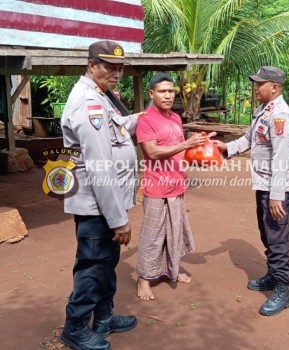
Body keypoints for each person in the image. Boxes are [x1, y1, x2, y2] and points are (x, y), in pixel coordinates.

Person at [60, 40, 140, 350]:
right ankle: (76, 327)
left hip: (107, 204)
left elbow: (118, 130)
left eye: (121, 68)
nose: (117, 73)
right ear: (91, 65)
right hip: (97, 206)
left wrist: (144, 117)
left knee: (107, 262)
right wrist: (119, 220)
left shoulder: (101, 97)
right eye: (110, 66)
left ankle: (104, 317)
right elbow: (100, 167)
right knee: (93, 266)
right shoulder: (88, 102)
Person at [214, 66, 289, 316]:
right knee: (267, 233)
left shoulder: (280, 115)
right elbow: (249, 139)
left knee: (277, 237)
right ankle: (273, 275)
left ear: (275, 87)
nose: (255, 87)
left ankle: (283, 289)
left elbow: (281, 159)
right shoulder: (264, 111)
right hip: (263, 184)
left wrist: (275, 195)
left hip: (276, 188)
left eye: (260, 84)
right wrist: (226, 148)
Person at [135, 72, 206, 301]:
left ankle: (170, 271)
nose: (167, 95)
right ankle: (143, 279)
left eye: (170, 91)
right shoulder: (146, 119)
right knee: (152, 235)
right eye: (162, 91)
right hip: (156, 187)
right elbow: (153, 152)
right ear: (152, 93)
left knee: (174, 232)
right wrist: (186, 143)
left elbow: (180, 150)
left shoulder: (175, 117)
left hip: (176, 184)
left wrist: (200, 151)